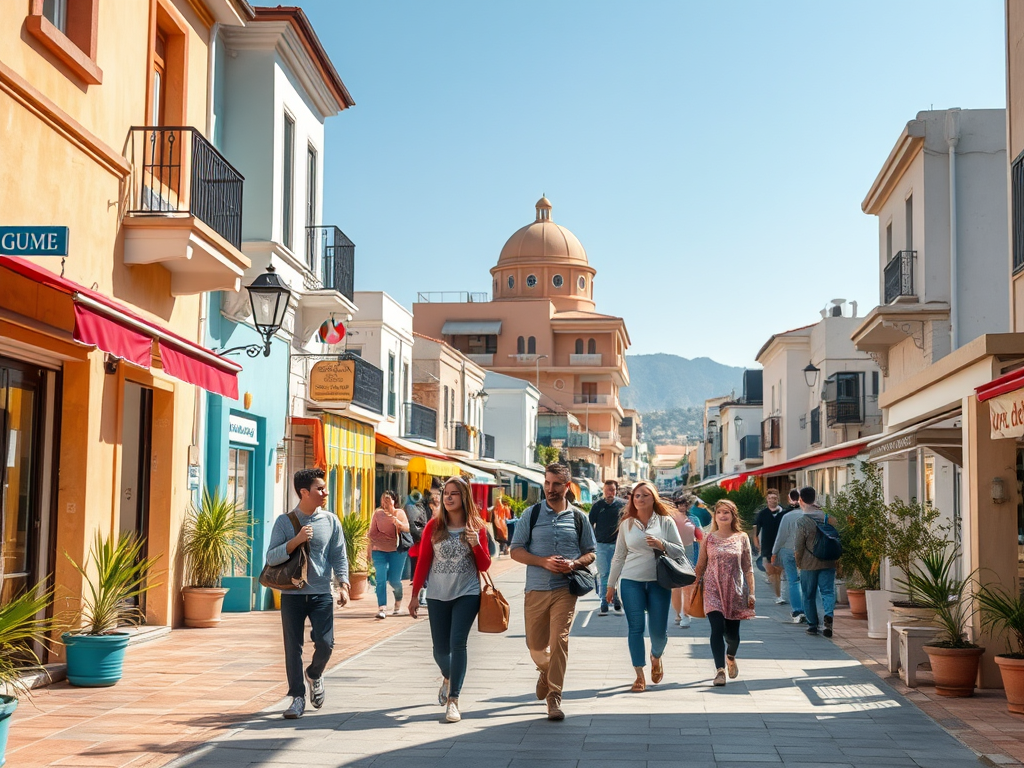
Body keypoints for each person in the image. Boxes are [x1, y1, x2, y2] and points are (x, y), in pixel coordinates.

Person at [510, 462, 597, 721]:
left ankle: (554, 696)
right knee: (536, 647)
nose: (550, 488)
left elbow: (591, 552)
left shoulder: (579, 517)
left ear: (567, 486)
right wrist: (543, 561)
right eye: (547, 483)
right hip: (536, 589)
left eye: (556, 484)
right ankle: (546, 672)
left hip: (565, 589)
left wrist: (574, 563)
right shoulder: (532, 514)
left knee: (559, 640)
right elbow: (515, 550)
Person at [265, 468, 350, 719]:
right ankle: (297, 697)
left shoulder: (331, 521)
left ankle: (314, 674)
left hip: (321, 592)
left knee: (326, 643)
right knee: (293, 647)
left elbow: (339, 554)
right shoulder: (285, 522)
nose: (325, 492)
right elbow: (271, 557)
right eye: (319, 489)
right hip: (292, 594)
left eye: (324, 488)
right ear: (304, 492)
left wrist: (344, 584)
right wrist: (296, 540)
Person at [409, 476, 491, 723]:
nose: (449, 497)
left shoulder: (477, 527)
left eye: (454, 493)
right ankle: (449, 675)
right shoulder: (434, 527)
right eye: (446, 493)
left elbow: (485, 565)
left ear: (464, 497)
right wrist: (415, 595)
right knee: (440, 650)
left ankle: (453, 700)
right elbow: (423, 560)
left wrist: (476, 544)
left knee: (458, 644)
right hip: (437, 595)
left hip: (467, 592)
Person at [605, 481, 686, 692]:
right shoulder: (627, 524)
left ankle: (656, 656)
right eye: (636, 496)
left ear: (653, 498)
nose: (640, 499)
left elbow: (679, 551)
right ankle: (639, 674)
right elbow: (619, 556)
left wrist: (662, 544)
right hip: (631, 581)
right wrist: (611, 585)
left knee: (658, 632)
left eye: (644, 495)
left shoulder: (665, 522)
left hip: (659, 582)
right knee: (636, 627)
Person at [693, 499, 755, 687]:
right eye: (719, 512)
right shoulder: (708, 538)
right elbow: (701, 565)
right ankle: (720, 671)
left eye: (726, 512)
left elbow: (748, 567)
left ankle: (731, 656)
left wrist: (752, 593)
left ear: (733, 516)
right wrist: (692, 587)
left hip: (735, 591)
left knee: (733, 637)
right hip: (712, 589)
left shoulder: (742, 537)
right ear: (715, 516)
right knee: (717, 628)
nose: (722, 515)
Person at [794, 486, 838, 638]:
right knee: (828, 591)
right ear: (815, 497)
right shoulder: (827, 517)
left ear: (800, 500)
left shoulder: (802, 521)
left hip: (808, 563)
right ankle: (828, 616)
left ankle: (812, 625)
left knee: (808, 594)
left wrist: (798, 562)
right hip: (828, 560)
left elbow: (799, 546)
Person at [368, 490, 411, 620]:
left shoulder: (400, 513)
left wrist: (397, 522)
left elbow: (407, 528)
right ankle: (382, 608)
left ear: (394, 500)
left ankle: (398, 601)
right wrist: (369, 550)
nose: (385, 502)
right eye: (383, 499)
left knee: (394, 580)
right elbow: (372, 534)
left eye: (388, 499)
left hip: (396, 551)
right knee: (380, 579)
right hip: (379, 550)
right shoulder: (377, 514)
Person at [589, 479, 626, 616]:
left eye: (612, 490)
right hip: (601, 545)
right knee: (604, 574)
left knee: (616, 574)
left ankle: (616, 599)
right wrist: (592, 542)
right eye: (607, 490)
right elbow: (590, 524)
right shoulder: (597, 506)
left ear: (616, 491)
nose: (610, 493)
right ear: (603, 490)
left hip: (618, 546)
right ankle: (604, 602)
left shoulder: (622, 505)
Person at [771, 494, 806, 624]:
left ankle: (797, 611)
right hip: (805, 552)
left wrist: (774, 552)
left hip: (788, 550)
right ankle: (808, 610)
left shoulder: (787, 517)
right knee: (805, 580)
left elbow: (781, 537)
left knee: (793, 580)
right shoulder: (809, 515)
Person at [753, 489, 790, 605]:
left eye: (774, 498)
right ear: (767, 500)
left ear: (778, 499)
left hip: (782, 546)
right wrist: (756, 543)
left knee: (781, 570)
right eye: (770, 498)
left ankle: (781, 595)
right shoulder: (762, 514)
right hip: (767, 547)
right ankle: (778, 593)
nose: (772, 500)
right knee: (772, 572)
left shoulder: (784, 513)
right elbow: (756, 530)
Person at [669, 498, 699, 628]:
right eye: (679, 505)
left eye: (684, 505)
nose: (681, 508)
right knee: (676, 586)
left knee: (687, 585)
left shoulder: (693, 519)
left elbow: (699, 535)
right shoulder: (670, 519)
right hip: (674, 553)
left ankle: (686, 612)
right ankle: (678, 613)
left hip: (690, 552)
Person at [406, 490, 430, 589]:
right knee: (421, 558)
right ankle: (422, 580)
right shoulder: (423, 507)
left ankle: (417, 579)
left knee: (416, 558)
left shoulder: (409, 506)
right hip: (421, 536)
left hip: (414, 537)